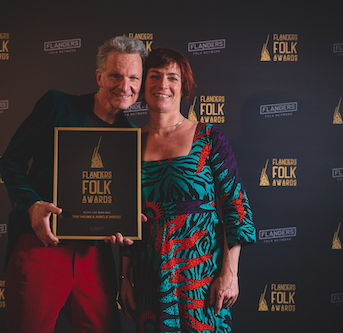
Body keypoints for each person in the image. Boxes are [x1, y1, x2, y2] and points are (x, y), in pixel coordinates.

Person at [0, 35, 148, 333]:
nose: (125, 86)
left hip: (95, 255)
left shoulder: (133, 136)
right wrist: (31, 204)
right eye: (116, 75)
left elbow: (126, 205)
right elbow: (10, 162)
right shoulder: (58, 105)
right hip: (41, 245)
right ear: (99, 77)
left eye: (134, 78)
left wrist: (128, 230)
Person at [119, 48, 256, 332]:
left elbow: (236, 206)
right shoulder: (127, 144)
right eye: (154, 76)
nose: (163, 85)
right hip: (149, 278)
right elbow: (125, 217)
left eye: (173, 78)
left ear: (185, 88)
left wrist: (230, 272)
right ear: (143, 84)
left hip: (202, 277)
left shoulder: (209, 137)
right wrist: (124, 278)